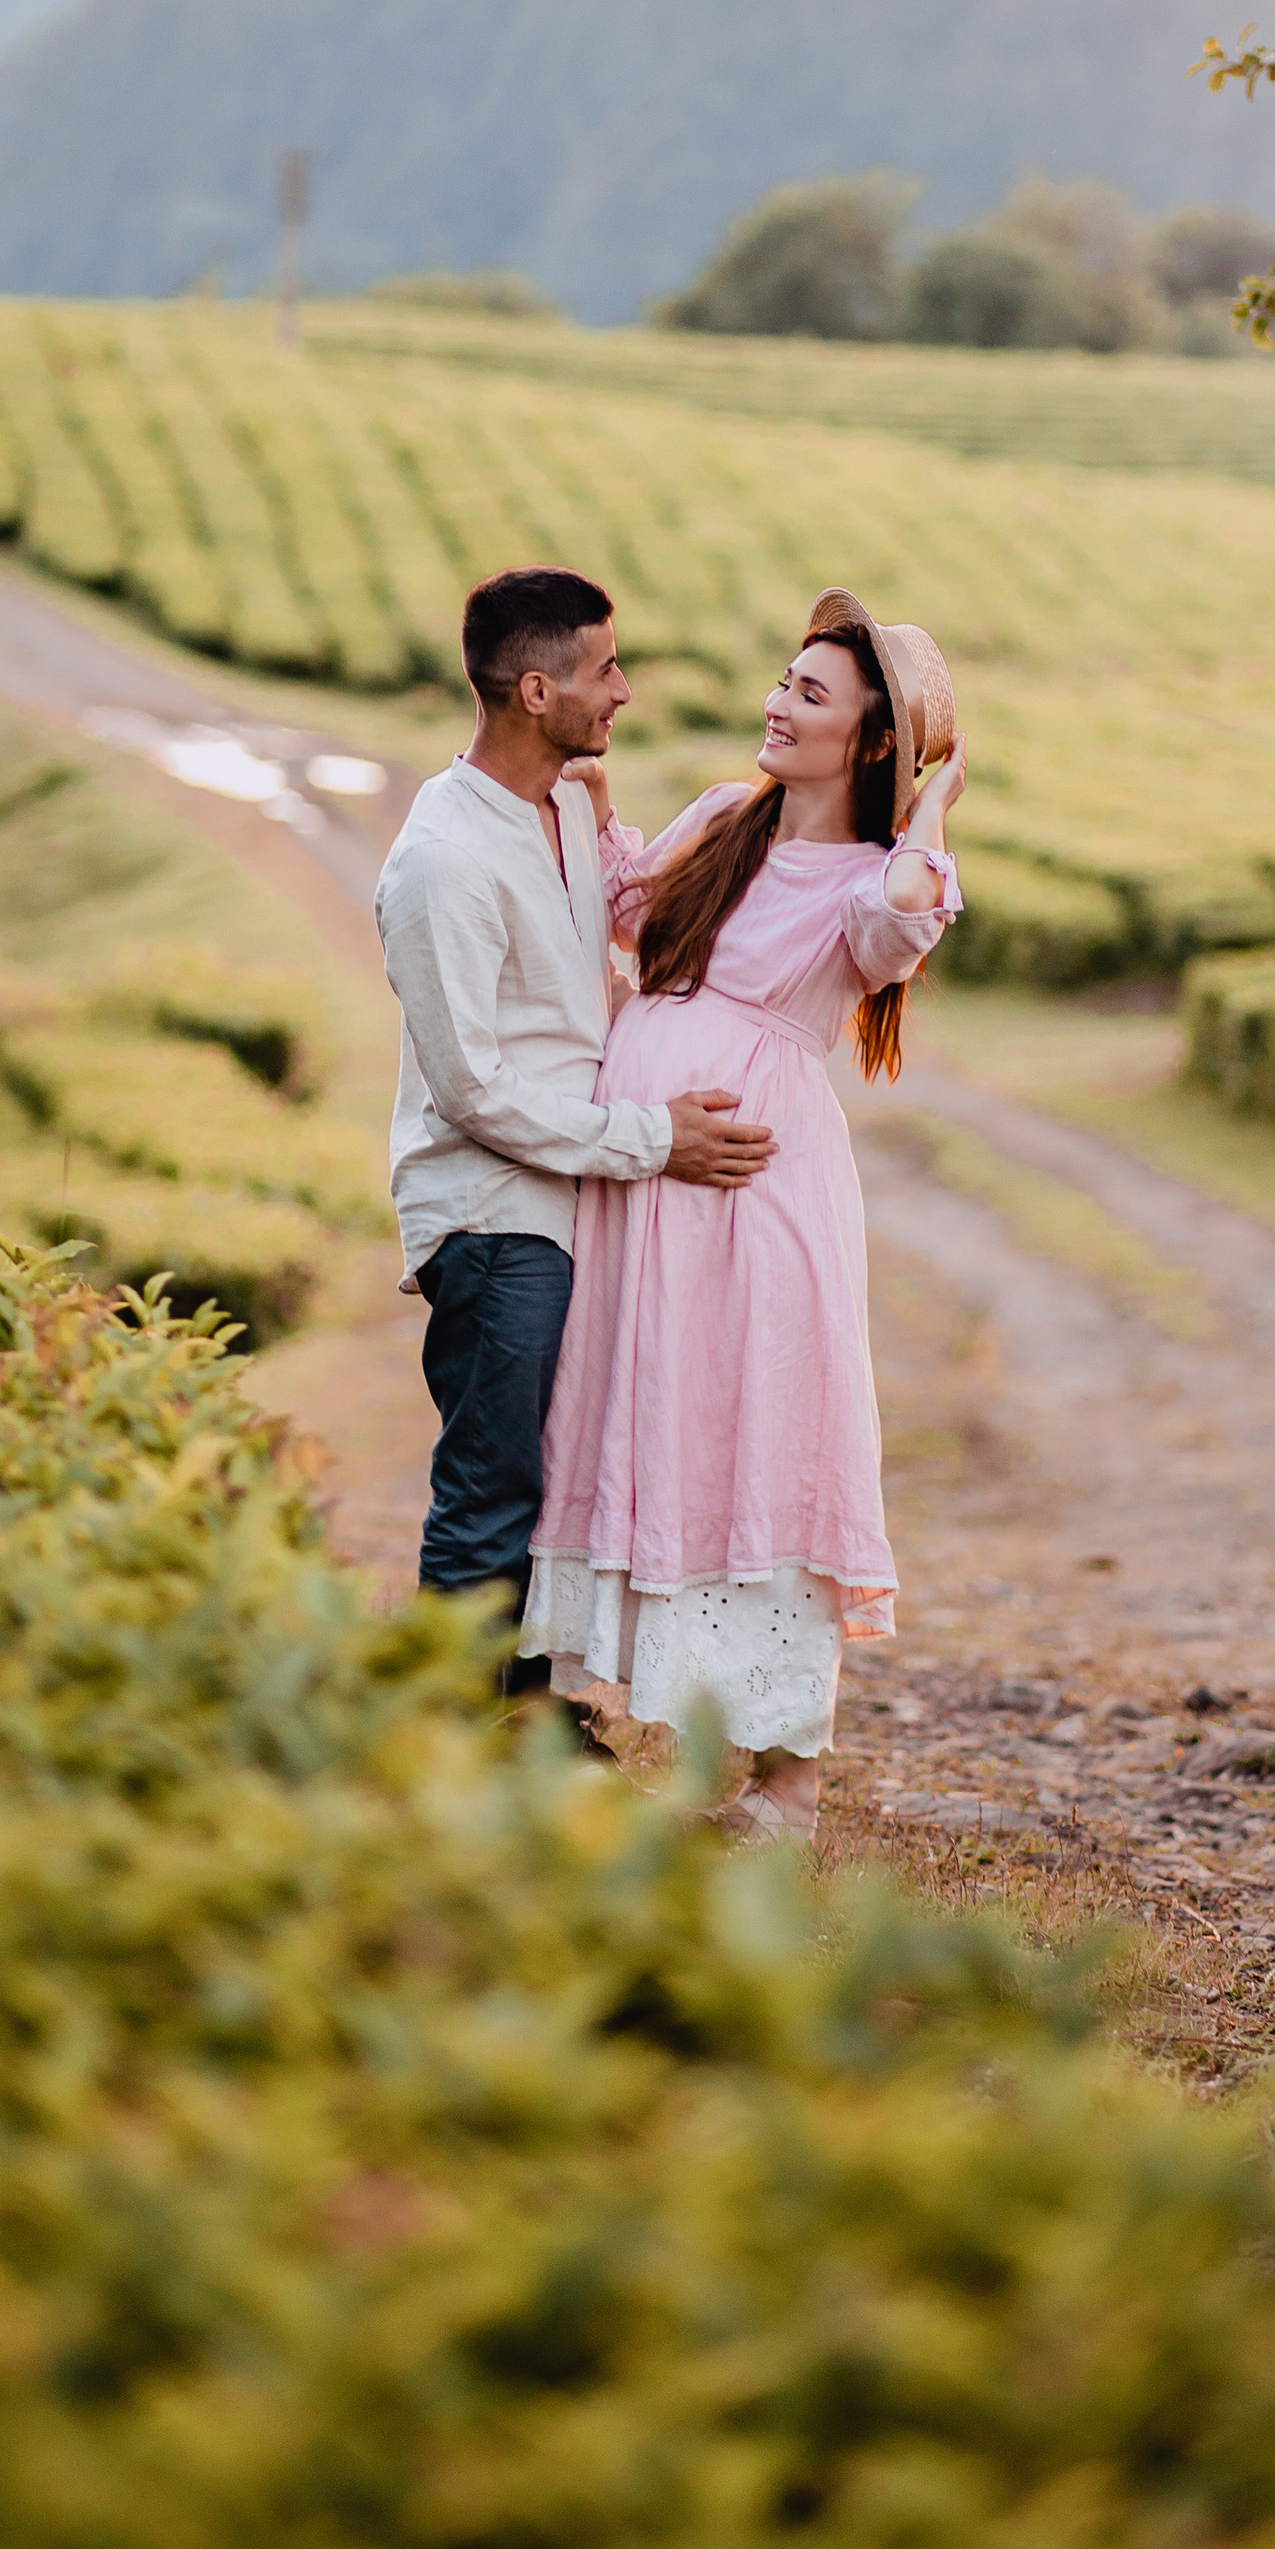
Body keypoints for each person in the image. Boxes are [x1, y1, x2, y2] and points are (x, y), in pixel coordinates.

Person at [520, 588, 965, 1837]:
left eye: (810, 695)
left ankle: (785, 1786)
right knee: (631, 1402)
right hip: (641, 1181)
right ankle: (568, 1709)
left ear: (869, 745)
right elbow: (632, 917)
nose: (776, 704)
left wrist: (933, 806)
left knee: (754, 1424)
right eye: (783, 679)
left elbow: (901, 923)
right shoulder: (726, 814)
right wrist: (600, 800)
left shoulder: (875, 877)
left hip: (750, 1192)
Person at [374, 564, 776, 1686]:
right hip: (493, 1216)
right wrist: (656, 1139)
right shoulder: (442, 864)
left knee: (548, 1483)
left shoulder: (557, 808)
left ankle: (522, 1712)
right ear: (537, 692)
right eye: (605, 670)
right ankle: (447, 1733)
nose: (625, 691)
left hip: (569, 1202)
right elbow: (474, 1090)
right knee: (492, 1488)